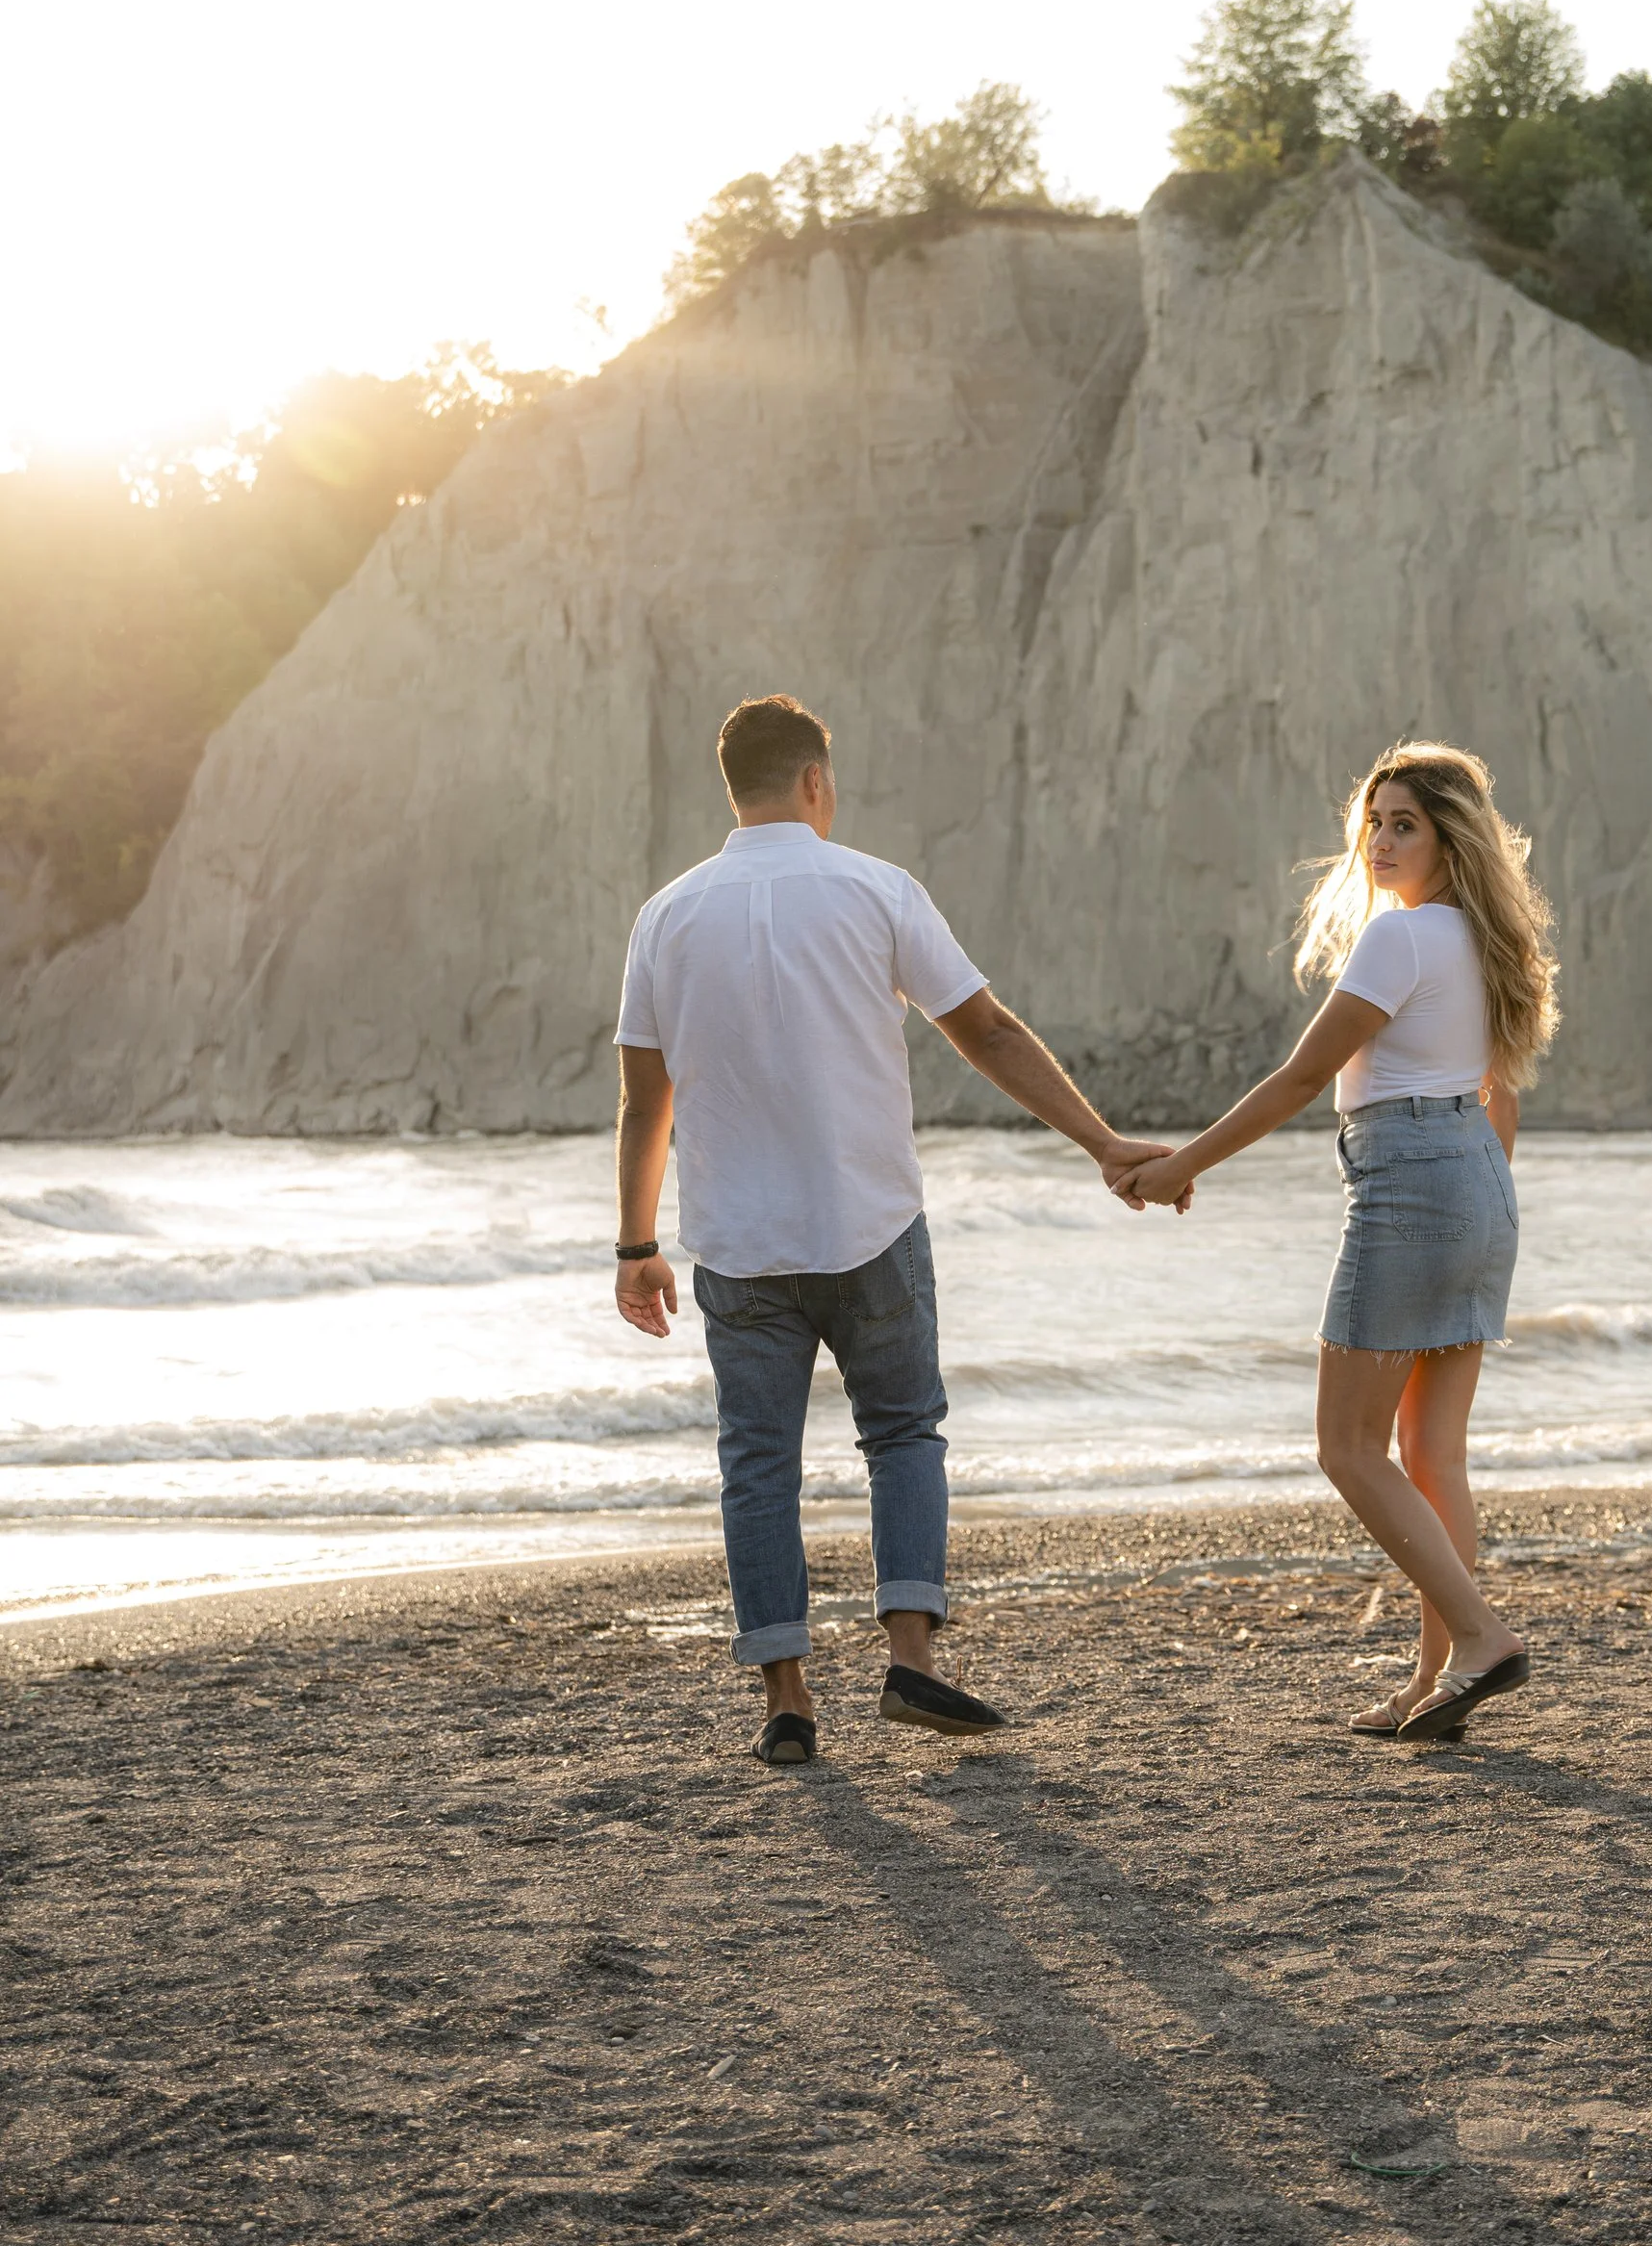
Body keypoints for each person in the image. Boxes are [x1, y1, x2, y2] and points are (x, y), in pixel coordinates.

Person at [613, 694, 1180, 1765]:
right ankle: (911, 1659)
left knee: (757, 1465)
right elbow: (988, 1031)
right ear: (815, 780)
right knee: (903, 1433)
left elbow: (648, 1100)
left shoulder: (666, 915)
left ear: (732, 786)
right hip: (871, 1222)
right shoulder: (877, 888)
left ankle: (787, 1696)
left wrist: (634, 1245)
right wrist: (1105, 1144)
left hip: (738, 1244)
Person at [1132, 741, 1558, 1743]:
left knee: (1349, 1446)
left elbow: (1292, 1080)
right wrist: (1481, 1206)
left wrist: (1182, 1163)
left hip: (1410, 1189)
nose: (1380, 839)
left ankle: (1482, 1635)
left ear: (1451, 835)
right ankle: (1435, 1683)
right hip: (1477, 1188)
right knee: (1429, 1454)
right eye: (1372, 819)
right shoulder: (1481, 943)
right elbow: (1498, 1101)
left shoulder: (1399, 941)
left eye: (1404, 821)